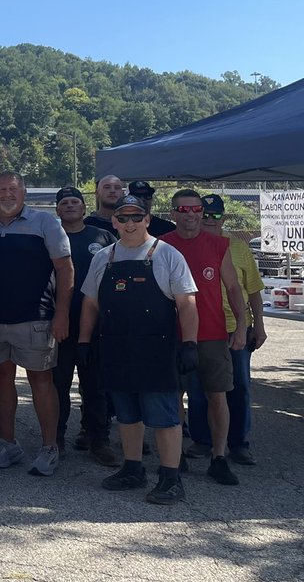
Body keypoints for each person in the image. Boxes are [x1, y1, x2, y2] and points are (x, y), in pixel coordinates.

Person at [78, 195, 198, 505]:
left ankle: (171, 479)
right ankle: (132, 469)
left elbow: (187, 303)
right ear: (114, 221)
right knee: (127, 415)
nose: (129, 223)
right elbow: (90, 303)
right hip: (116, 347)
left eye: (136, 216)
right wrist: (83, 341)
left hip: (156, 350)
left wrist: (189, 344)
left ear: (147, 219)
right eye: (123, 217)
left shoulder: (167, 255)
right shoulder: (103, 257)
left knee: (164, 416)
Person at [0, 171, 73, 476]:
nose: (7, 194)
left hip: (35, 318)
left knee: (41, 382)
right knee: (1, 380)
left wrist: (62, 313)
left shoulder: (45, 223)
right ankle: (8, 443)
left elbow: (66, 269)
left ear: (23, 192)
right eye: (1, 189)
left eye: (12, 189)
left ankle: (49, 447)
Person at [160, 189, 247, 486]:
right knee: (173, 396)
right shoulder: (162, 245)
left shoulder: (218, 245)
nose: (191, 216)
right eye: (182, 211)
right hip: (173, 335)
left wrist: (243, 325)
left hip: (212, 333)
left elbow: (234, 288)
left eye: (195, 209)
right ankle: (175, 455)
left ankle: (219, 457)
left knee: (217, 395)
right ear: (173, 214)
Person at [186, 194, 266, 465]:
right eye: (204, 214)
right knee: (198, 389)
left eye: (215, 215)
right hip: (203, 328)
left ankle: (238, 442)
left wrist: (258, 327)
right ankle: (201, 439)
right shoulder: (188, 244)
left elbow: (252, 290)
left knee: (239, 388)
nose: (209, 219)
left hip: (234, 328)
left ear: (224, 218)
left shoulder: (239, 247)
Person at [51, 186, 119, 466]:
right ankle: (55, 439)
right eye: (64, 202)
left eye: (74, 202)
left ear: (83, 207)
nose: (69, 206)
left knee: (95, 387)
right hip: (61, 325)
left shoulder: (103, 237)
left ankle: (98, 440)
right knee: (58, 386)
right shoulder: (50, 238)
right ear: (57, 210)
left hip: (97, 327)